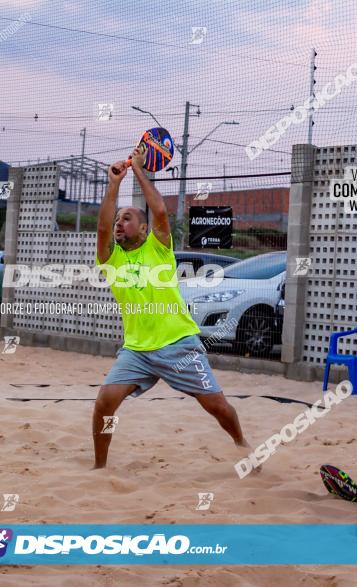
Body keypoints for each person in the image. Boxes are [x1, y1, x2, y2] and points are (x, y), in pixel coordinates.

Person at [92, 146, 248, 469]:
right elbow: (103, 229)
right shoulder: (112, 259)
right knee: (105, 403)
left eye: (128, 218)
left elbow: (160, 211)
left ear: (145, 229)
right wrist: (113, 186)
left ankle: (240, 441)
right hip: (136, 351)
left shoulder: (159, 249)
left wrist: (138, 170)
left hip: (179, 345)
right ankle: (100, 467)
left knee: (217, 406)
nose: (119, 223)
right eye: (118, 218)